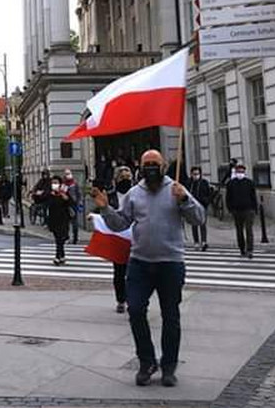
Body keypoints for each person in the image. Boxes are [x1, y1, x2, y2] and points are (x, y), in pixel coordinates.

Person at [92, 149, 204, 388]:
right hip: (140, 263)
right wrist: (105, 209)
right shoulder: (134, 193)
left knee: (170, 316)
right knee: (135, 311)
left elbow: (199, 218)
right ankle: (147, 361)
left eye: (155, 163)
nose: (151, 168)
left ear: (163, 165)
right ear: (140, 168)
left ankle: (169, 365)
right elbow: (121, 222)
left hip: (170, 263)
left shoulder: (175, 189)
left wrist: (184, 199)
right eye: (147, 164)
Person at [107, 166, 134, 313]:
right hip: (118, 239)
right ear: (116, 179)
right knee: (119, 272)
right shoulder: (111, 196)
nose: (125, 181)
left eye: (128, 178)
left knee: (134, 272)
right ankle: (121, 299)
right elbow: (104, 211)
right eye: (122, 178)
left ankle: (133, 299)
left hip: (134, 239)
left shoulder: (137, 194)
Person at [34, 175, 74, 265]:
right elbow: (39, 200)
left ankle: (57, 256)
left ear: (60, 184)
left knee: (60, 238)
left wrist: (66, 199)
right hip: (53, 218)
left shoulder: (64, 192)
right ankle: (62, 255)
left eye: (56, 183)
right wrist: (37, 194)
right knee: (58, 238)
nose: (54, 184)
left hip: (63, 218)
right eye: (53, 183)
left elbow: (71, 202)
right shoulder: (50, 193)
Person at [225, 163, 257, 258]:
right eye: (238, 171)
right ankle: (242, 248)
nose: (240, 173)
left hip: (248, 209)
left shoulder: (249, 183)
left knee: (249, 230)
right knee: (239, 231)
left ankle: (250, 249)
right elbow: (228, 197)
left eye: (242, 172)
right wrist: (230, 208)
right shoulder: (231, 183)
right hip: (236, 210)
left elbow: (253, 196)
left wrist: (254, 209)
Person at [183, 167, 213, 251]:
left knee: (203, 224)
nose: (196, 176)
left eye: (197, 174)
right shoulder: (189, 183)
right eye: (194, 174)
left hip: (202, 205)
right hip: (192, 206)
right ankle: (196, 242)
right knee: (194, 224)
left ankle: (204, 241)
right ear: (191, 174)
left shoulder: (204, 183)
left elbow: (209, 193)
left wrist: (206, 201)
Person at [64, 170, 83, 244]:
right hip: (65, 205)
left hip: (73, 204)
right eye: (66, 174)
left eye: (68, 174)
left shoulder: (74, 184)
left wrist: (79, 203)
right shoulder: (64, 184)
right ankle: (67, 237)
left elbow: (79, 194)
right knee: (66, 222)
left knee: (74, 222)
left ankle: (75, 238)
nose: (68, 175)